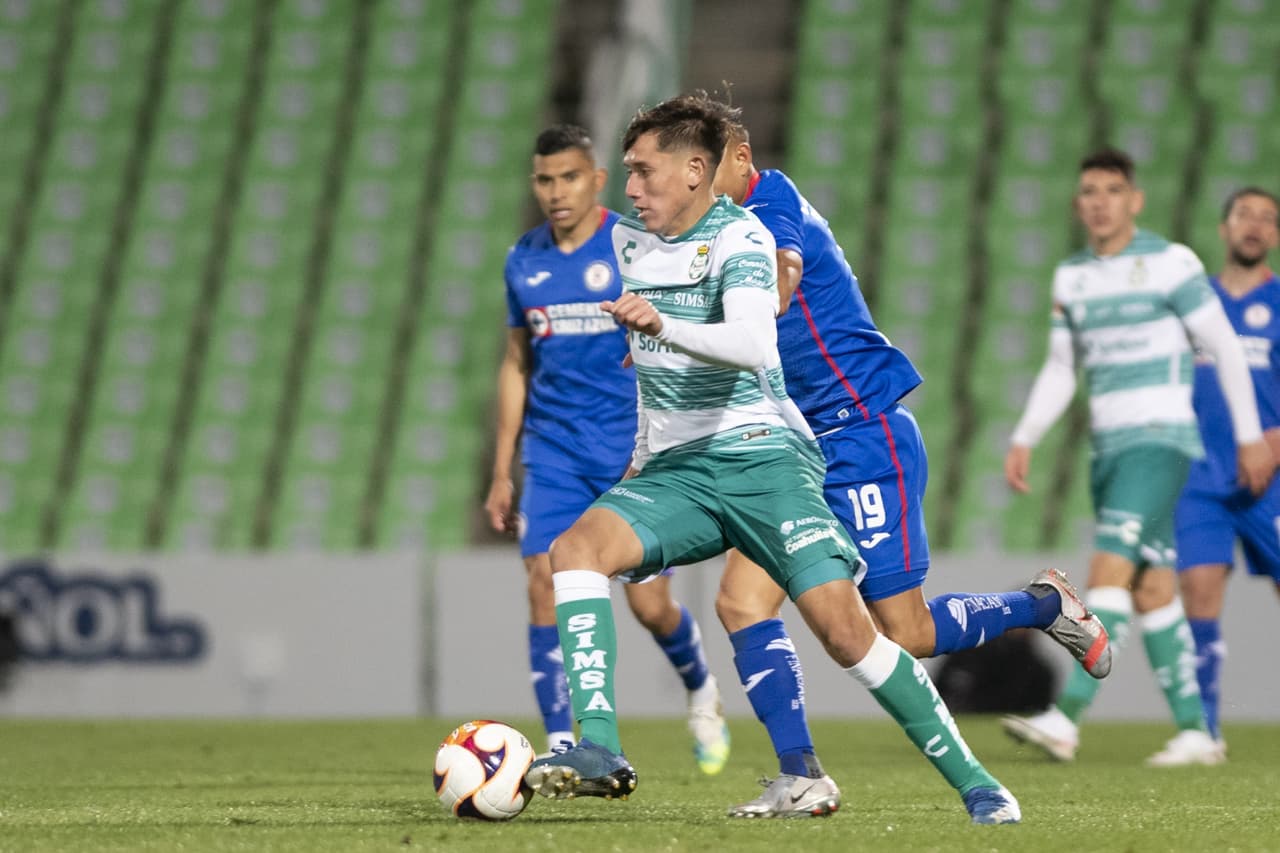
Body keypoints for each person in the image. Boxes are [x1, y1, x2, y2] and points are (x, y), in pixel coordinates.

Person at [523, 93, 1021, 825]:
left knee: (852, 633)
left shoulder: (744, 237)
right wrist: (638, 459)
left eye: (643, 171)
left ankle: (981, 784)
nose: (631, 189)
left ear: (697, 169)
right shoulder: (629, 245)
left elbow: (756, 344)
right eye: (628, 173)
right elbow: (655, 376)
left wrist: (664, 321)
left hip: (766, 461)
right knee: (574, 550)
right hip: (679, 470)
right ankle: (598, 746)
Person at [705, 107, 1111, 818]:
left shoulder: (769, 201)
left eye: (706, 171)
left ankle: (1042, 604)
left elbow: (781, 278)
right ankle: (799, 773)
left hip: (861, 432)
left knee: (908, 633)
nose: (700, 187)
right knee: (740, 599)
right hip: (798, 449)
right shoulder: (716, 229)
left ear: (740, 158)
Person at [999, 149, 1275, 766]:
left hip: (1161, 441)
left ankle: (1065, 719)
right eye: (1089, 191)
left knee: (1109, 569)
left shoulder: (1170, 263)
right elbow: (1063, 367)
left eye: (1113, 190)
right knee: (1153, 590)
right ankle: (1197, 732)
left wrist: (1253, 435)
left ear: (1135, 200)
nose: (1100, 202)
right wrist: (1026, 435)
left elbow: (1226, 349)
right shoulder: (1071, 276)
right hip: (1110, 449)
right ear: (1078, 205)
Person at [485, 124, 729, 773]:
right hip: (554, 450)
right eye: (544, 179)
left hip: (630, 450)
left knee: (649, 605)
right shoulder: (523, 260)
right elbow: (516, 363)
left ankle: (701, 687)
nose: (555, 191)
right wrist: (501, 469)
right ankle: (567, 745)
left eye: (569, 177)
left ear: (595, 180)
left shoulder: (636, 246)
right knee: (544, 583)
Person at [1174, 186, 1280, 751]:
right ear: (1225, 227)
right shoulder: (1196, 308)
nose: (1256, 226)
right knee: (1199, 591)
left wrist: (1272, 445)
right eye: (1246, 215)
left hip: (1273, 479)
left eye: (1268, 219)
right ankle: (1204, 731)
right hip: (1201, 478)